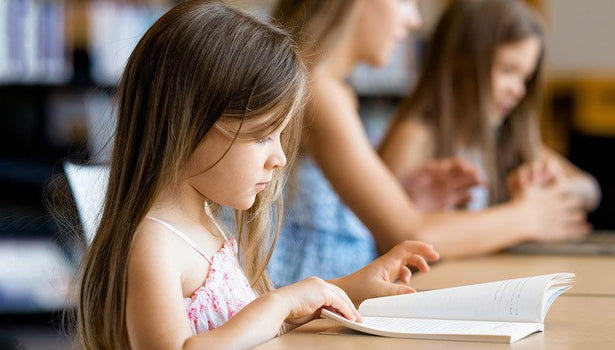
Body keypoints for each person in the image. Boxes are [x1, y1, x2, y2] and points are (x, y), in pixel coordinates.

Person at [74, 2, 439, 349]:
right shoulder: (155, 245)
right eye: (263, 135)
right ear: (189, 125)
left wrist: (345, 289)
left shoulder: (208, 224)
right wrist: (279, 302)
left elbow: (243, 329)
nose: (279, 157)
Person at [268, 0, 592, 287]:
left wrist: (409, 198)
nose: (415, 21)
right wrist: (528, 217)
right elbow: (410, 233)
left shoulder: (330, 90)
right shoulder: (321, 93)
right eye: (406, 3)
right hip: (307, 315)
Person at [380, 0, 600, 241]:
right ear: (460, 61)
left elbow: (591, 189)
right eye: (507, 70)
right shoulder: (414, 137)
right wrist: (527, 217)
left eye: (525, 78)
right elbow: (389, 236)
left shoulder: (503, 135)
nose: (518, 90)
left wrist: (557, 185)